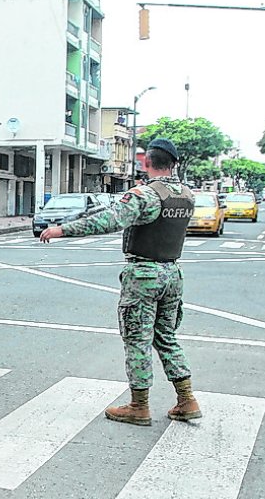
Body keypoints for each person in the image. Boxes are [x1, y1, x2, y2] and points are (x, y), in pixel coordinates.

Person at [38, 139, 201, 426]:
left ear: (146, 163)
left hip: (144, 275)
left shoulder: (145, 195)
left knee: (137, 338)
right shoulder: (187, 196)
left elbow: (110, 220)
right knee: (166, 336)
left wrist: (62, 230)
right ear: (174, 164)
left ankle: (139, 406)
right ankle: (186, 399)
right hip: (173, 274)